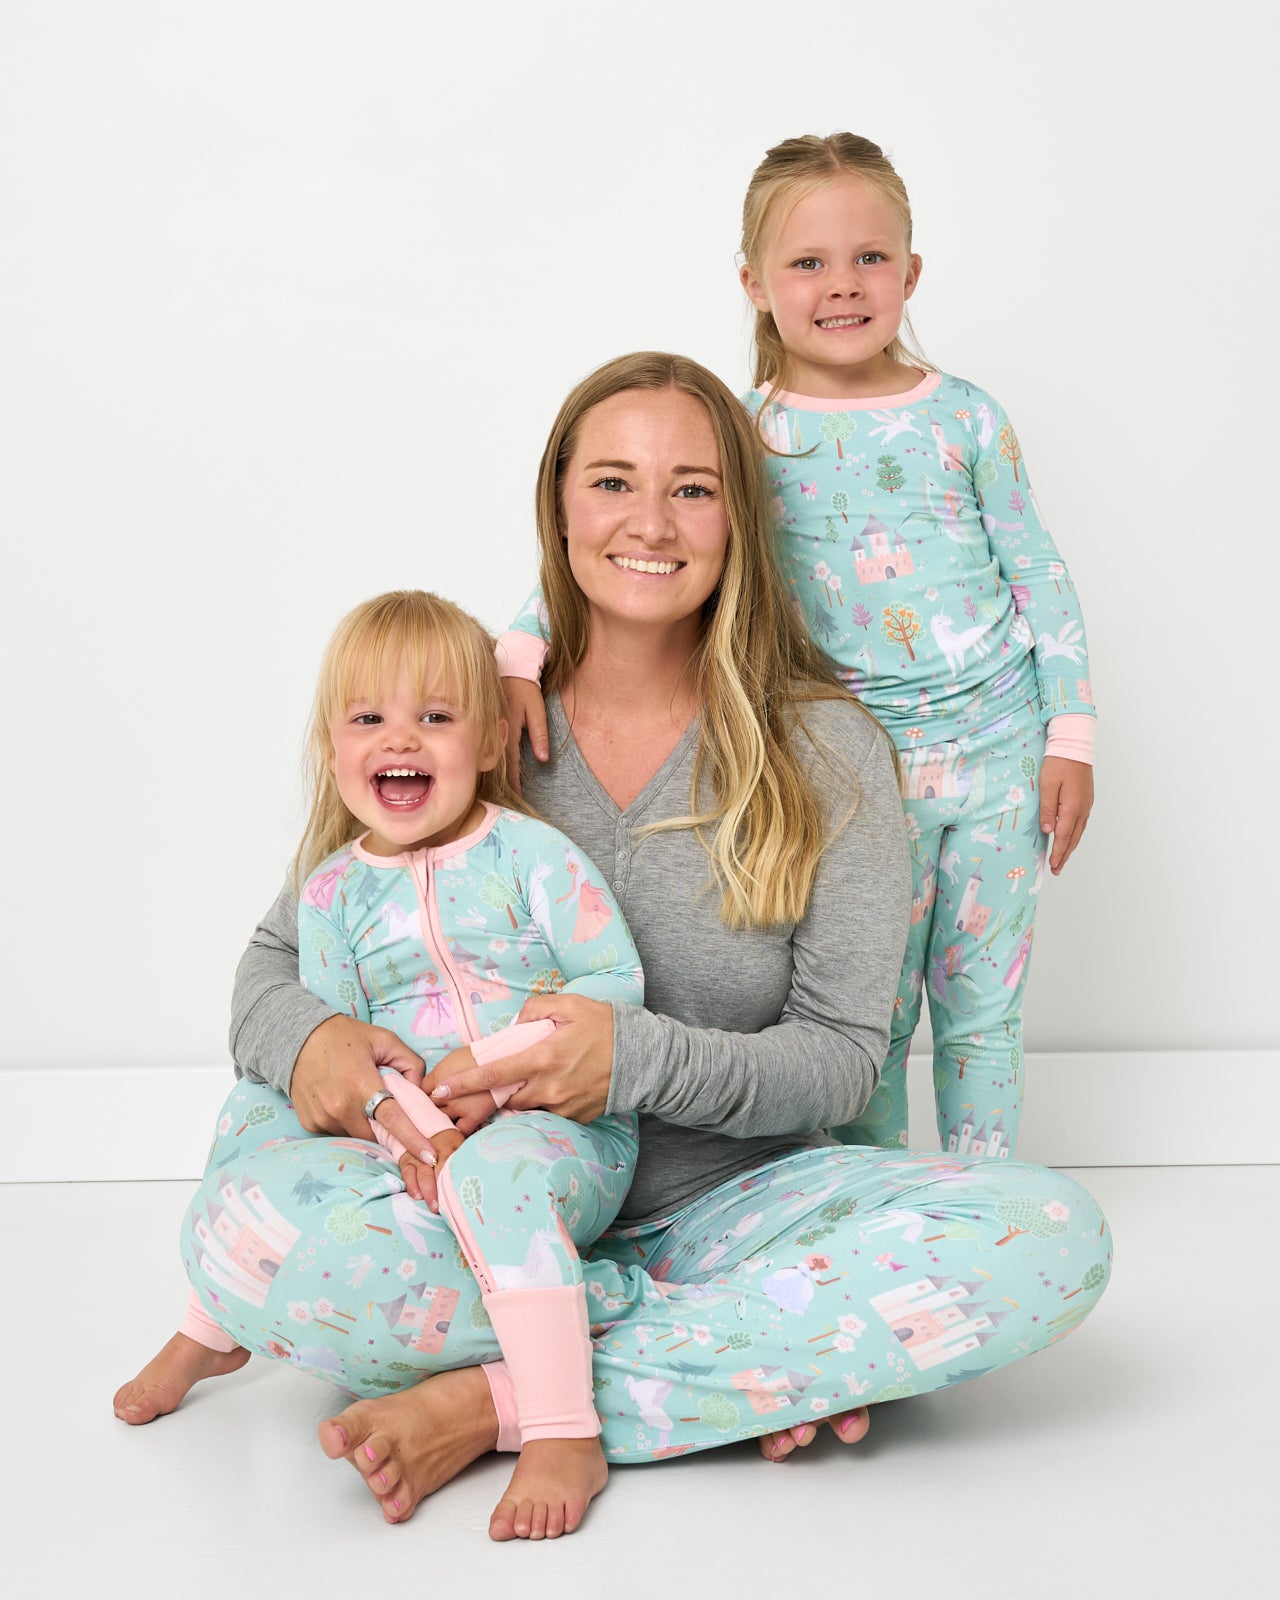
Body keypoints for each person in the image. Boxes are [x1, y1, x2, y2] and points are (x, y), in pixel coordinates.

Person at [138, 353, 1110, 1538]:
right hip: (477, 1210)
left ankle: (508, 1398)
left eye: (693, 489)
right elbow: (273, 955)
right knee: (249, 1237)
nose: (650, 521)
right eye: (611, 481)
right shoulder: (471, 723)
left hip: (733, 1209)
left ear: (739, 519)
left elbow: (843, 1056)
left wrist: (630, 1061)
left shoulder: (829, 749)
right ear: (557, 505)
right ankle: (738, 1363)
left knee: (1047, 1242)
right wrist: (316, 1041)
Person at [501, 134, 1096, 1159]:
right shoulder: (743, 430)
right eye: (807, 263)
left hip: (996, 752)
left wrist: (1069, 732)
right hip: (856, 770)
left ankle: (979, 1196)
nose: (841, 286)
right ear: (753, 282)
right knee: (874, 1019)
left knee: (981, 1009)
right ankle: (864, 1195)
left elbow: (1036, 571)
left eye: (870, 258)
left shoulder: (963, 417)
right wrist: (519, 649)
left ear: (910, 273)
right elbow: (633, 542)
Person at [114, 589, 646, 1541]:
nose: (401, 740)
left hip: (551, 1126)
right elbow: (343, 1038)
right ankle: (210, 1325)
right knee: (252, 1106)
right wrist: (399, 1116)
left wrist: (494, 1072)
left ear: (487, 743)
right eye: (370, 719)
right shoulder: (330, 893)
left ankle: (562, 1425)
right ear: (332, 747)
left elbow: (614, 983)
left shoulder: (533, 857)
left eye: (435, 719)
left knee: (492, 1176)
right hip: (409, 1125)